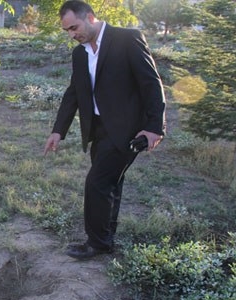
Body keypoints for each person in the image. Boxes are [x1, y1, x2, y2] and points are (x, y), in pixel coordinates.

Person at [43, 0, 166, 260]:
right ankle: (106, 238)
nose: (72, 34)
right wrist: (58, 131)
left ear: (90, 17)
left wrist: (155, 127)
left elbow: (151, 84)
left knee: (97, 183)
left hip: (127, 130)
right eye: (67, 31)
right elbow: (73, 93)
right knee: (111, 182)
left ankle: (96, 243)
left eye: (74, 27)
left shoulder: (127, 39)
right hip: (96, 129)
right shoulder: (80, 53)